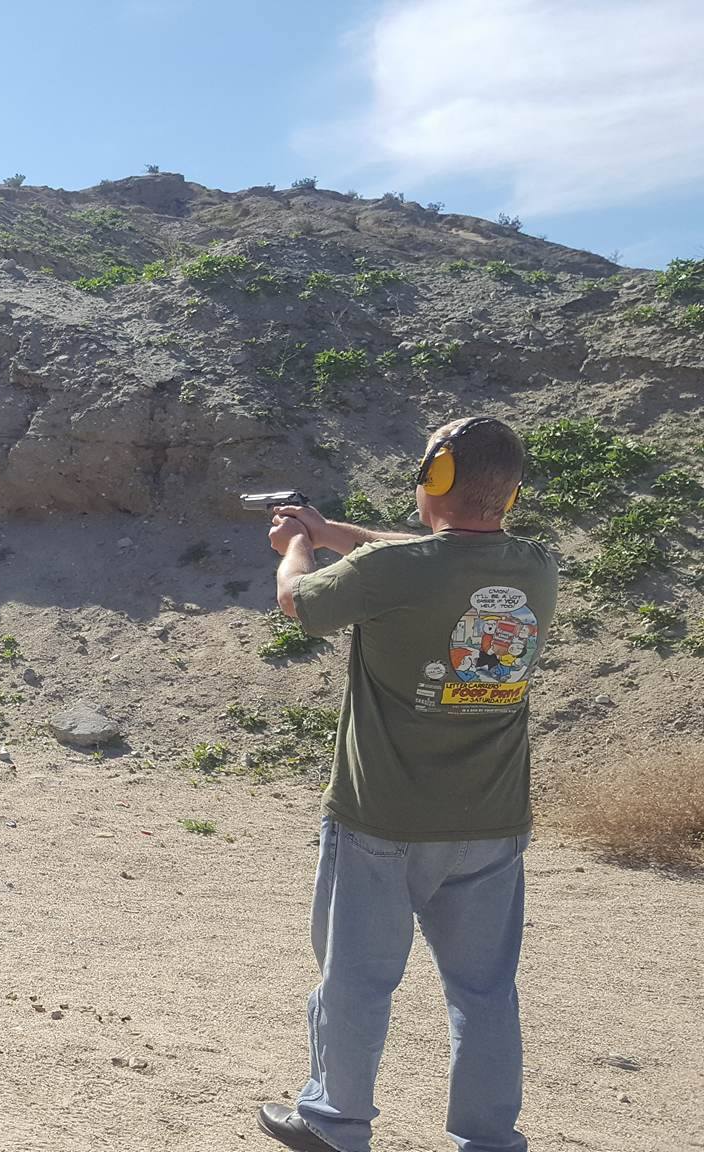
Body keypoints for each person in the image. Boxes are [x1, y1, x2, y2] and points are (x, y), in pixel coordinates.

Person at [256, 417, 557, 1152]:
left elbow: (299, 602)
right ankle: (489, 1140)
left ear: (435, 478)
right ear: (510, 492)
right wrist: (333, 530)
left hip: (381, 819)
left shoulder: (393, 574)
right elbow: (428, 556)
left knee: (356, 981)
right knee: (484, 993)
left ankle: (334, 1123)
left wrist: (296, 544)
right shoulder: (537, 567)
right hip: (491, 820)